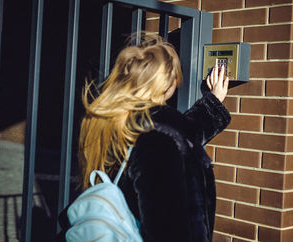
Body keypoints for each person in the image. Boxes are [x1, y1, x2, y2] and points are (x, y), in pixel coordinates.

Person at [78, 33, 231, 241]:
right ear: (166, 82)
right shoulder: (159, 136)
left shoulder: (112, 117)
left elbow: (182, 132)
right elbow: (167, 227)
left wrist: (214, 101)